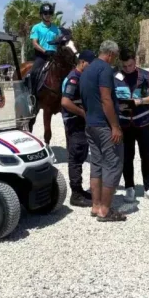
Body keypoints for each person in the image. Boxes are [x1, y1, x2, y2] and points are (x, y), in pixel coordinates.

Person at [79, 40, 126, 222]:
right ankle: (105, 210)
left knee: (96, 165)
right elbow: (106, 99)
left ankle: (95, 205)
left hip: (91, 123)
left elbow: (83, 98)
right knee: (113, 164)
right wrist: (115, 126)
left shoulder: (86, 70)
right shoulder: (105, 69)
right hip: (104, 125)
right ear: (111, 54)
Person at [114, 48, 149, 203]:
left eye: (130, 65)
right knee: (127, 157)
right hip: (124, 124)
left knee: (146, 156)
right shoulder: (114, 76)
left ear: (135, 61)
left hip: (144, 123)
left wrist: (140, 101)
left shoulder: (145, 76)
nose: (128, 69)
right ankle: (129, 188)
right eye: (125, 66)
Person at [60, 49, 96, 207]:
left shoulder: (82, 76)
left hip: (80, 122)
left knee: (80, 155)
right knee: (75, 157)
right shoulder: (74, 78)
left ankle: (80, 190)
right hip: (75, 122)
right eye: (90, 63)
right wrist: (84, 114)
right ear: (82, 62)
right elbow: (65, 102)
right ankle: (75, 194)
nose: (92, 66)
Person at [28, 2, 61, 98]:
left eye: (50, 13)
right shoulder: (36, 27)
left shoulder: (56, 28)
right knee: (34, 72)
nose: (48, 16)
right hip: (42, 56)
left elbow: (59, 42)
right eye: (45, 13)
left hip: (55, 55)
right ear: (41, 14)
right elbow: (34, 43)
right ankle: (33, 95)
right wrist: (45, 51)